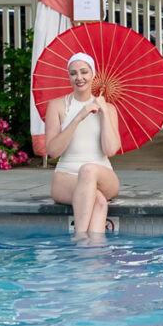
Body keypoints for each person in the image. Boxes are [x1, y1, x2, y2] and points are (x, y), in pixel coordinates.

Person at [45, 51, 121, 240]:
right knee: (99, 201)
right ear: (69, 76)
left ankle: (79, 238)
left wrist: (104, 113)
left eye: (84, 72)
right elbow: (53, 151)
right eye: (73, 73)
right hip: (66, 177)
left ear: (93, 74)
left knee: (88, 170)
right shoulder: (57, 106)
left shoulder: (108, 108)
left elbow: (110, 150)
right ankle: (92, 250)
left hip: (102, 174)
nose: (79, 78)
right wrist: (78, 117)